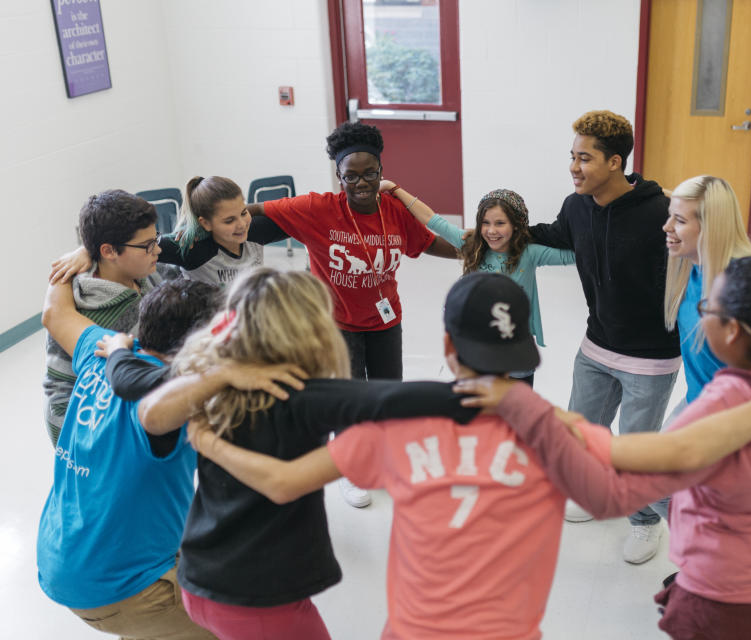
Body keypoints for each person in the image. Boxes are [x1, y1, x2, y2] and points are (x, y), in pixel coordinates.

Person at [185, 272, 751, 640]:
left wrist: (208, 441)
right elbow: (655, 461)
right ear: (530, 349)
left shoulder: (392, 427)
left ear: (445, 348)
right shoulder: (555, 433)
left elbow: (281, 482)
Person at [459, 255, 751, 639]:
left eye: (707, 307)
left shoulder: (724, 403)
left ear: (733, 331)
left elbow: (623, 486)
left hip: (735, 596)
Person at [133, 267, 496, 640]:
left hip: (199, 580)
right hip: (256, 599)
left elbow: (150, 414)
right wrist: (497, 398)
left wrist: (220, 376)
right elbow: (388, 397)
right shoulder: (297, 395)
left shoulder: (215, 386)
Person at [37, 276, 277, 640]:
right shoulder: (177, 402)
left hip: (61, 552)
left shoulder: (100, 348)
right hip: (119, 587)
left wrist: (77, 257)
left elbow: (55, 310)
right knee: (236, 627)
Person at [246, 121, 457, 507]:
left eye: (370, 173)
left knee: (385, 393)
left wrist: (471, 251)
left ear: (381, 171)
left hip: (385, 318)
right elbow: (251, 211)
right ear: (339, 176)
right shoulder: (317, 209)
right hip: (336, 322)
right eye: (351, 176)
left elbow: (426, 243)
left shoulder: (394, 210)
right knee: (347, 396)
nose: (361, 183)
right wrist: (212, 220)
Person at [528, 109, 680, 562]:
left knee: (635, 453)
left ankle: (645, 521)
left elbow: (703, 248)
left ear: (615, 162)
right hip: (596, 346)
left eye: (585, 158)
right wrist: (499, 230)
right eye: (572, 157)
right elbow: (555, 236)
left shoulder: (660, 212)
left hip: (650, 357)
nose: (574, 167)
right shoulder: (576, 206)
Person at [392, 183, 575, 385]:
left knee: (515, 411)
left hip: (516, 353)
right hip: (478, 351)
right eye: (485, 223)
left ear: (516, 224)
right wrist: (395, 189)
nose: (491, 231)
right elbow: (432, 219)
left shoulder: (528, 253)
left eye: (500, 223)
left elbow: (574, 256)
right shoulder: (472, 244)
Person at [651, 175, 751, 522]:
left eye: (680, 220)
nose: (667, 227)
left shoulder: (743, 286)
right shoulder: (691, 268)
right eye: (670, 216)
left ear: (710, 225)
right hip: (700, 400)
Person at [42, 190, 169, 447]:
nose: (158, 248)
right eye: (147, 245)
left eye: (155, 238)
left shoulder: (146, 271)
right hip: (94, 432)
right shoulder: (86, 309)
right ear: (109, 251)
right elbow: (62, 396)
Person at [51, 176, 290, 289]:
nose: (241, 224)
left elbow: (305, 220)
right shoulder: (190, 246)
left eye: (243, 213)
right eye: (229, 220)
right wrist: (86, 250)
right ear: (205, 223)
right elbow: (132, 241)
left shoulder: (255, 229)